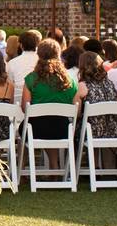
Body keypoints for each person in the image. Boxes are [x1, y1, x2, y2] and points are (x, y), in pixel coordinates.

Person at [22, 40, 77, 172]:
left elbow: (25, 108)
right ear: (58, 54)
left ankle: (21, 169)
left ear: (39, 54)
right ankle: (54, 166)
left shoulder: (31, 79)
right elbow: (76, 109)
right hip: (63, 129)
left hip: (36, 130)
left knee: (23, 131)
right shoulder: (70, 80)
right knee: (50, 123)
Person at [74, 51, 117, 146]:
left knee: (73, 129)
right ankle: (109, 161)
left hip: (91, 133)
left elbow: (77, 113)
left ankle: (83, 160)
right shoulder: (110, 84)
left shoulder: (82, 86)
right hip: (114, 131)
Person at [8, 29, 41, 104]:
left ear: (21, 45)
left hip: (17, 103)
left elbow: (10, 84)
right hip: (37, 101)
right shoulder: (42, 61)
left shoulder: (12, 63)